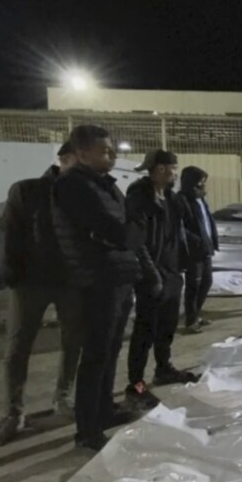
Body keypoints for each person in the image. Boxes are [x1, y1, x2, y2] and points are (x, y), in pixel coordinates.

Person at [52, 125, 144, 451]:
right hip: (95, 280)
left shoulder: (105, 185)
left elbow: (126, 227)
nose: (112, 156)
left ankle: (104, 412)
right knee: (95, 355)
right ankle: (87, 429)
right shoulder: (73, 186)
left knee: (110, 351)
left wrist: (125, 233)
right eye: (105, 151)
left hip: (116, 277)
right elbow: (112, 230)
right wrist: (125, 233)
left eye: (112, 150)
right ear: (82, 153)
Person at [0, 143, 82, 445]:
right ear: (63, 159)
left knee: (73, 340)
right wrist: (11, 275)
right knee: (18, 345)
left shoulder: (85, 193)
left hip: (70, 281)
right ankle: (14, 412)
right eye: (78, 159)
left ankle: (63, 397)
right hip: (30, 281)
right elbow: (10, 233)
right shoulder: (27, 190)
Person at [125, 151, 197, 411]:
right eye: (169, 168)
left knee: (167, 325)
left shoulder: (171, 198)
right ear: (155, 170)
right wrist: (151, 272)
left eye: (175, 168)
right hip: (150, 272)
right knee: (145, 329)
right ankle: (136, 385)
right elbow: (137, 241)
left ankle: (163, 368)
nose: (173, 172)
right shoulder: (138, 197)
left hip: (171, 271)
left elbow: (185, 226)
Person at [177, 166, 217, 334]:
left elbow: (207, 222)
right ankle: (190, 321)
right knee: (194, 285)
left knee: (206, 282)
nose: (203, 184)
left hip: (205, 247)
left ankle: (195, 314)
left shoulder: (200, 199)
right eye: (200, 181)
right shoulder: (182, 199)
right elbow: (178, 226)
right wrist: (195, 239)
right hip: (194, 249)